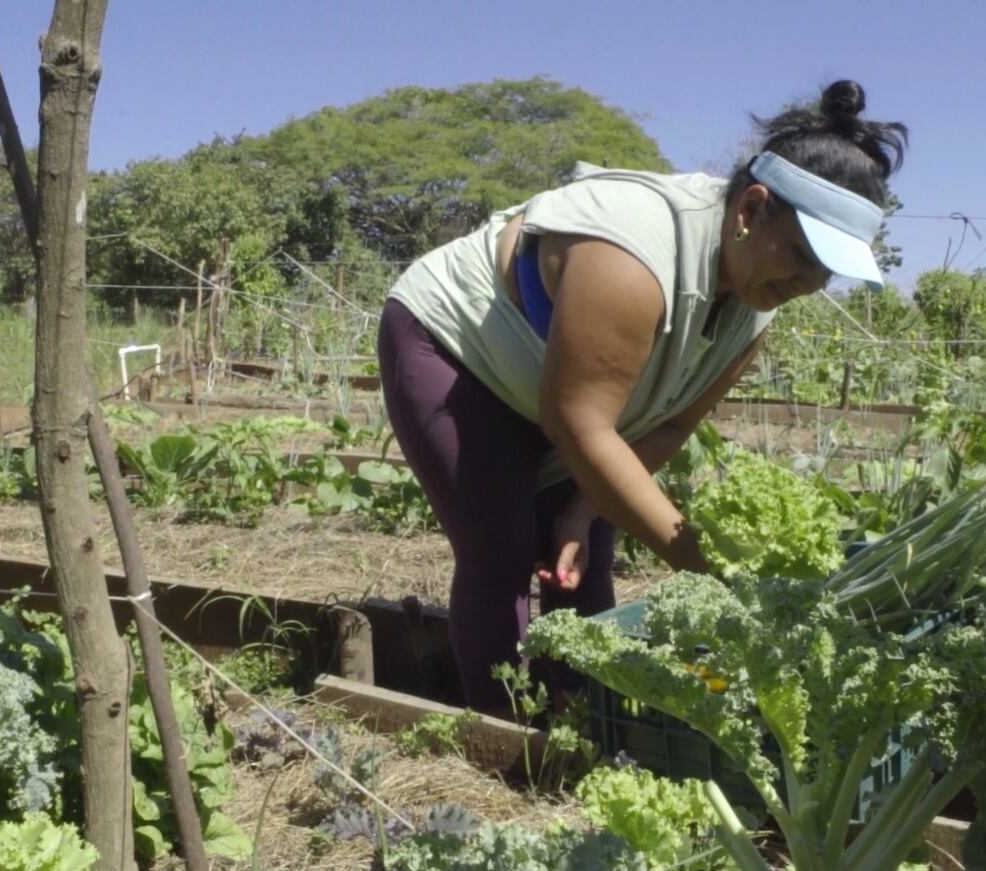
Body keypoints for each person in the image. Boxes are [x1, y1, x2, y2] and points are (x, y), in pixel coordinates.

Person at [377, 79, 908, 714]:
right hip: (460, 353)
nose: (809, 283)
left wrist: (580, 512)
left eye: (827, 271)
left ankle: (585, 728)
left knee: (582, 558)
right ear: (751, 209)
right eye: (802, 256)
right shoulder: (632, 254)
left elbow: (675, 422)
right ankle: (507, 740)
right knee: (502, 550)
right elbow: (579, 424)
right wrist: (704, 564)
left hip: (566, 395)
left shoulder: (756, 304)